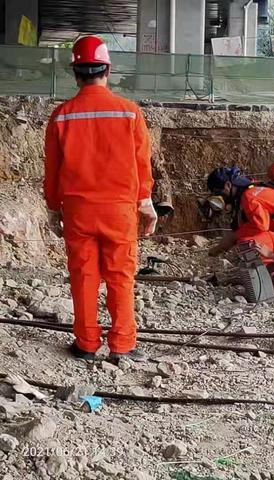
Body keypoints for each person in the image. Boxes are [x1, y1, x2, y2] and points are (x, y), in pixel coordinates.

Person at [44, 36, 158, 362]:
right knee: (121, 275)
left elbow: (52, 169)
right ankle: (122, 345)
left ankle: (86, 344)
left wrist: (54, 207)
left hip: (78, 211)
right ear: (107, 69)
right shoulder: (130, 114)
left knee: (84, 276)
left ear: (76, 73)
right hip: (120, 210)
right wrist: (145, 203)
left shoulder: (62, 116)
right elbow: (142, 165)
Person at [205, 166, 274, 261]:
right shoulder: (254, 186)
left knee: (247, 246)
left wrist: (233, 237)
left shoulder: (248, 197)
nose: (221, 197)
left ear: (228, 185)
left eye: (218, 193)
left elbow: (261, 226)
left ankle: (261, 272)